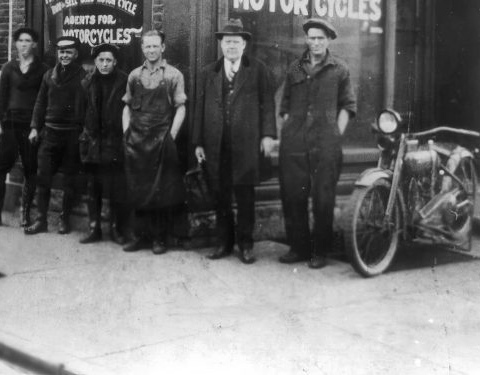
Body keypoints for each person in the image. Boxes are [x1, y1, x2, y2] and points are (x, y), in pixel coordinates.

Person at [192, 19, 276, 264]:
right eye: (227, 42)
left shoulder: (258, 70)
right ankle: (223, 243)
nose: (231, 46)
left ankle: (246, 245)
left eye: (236, 42)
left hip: (246, 145)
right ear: (220, 44)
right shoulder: (209, 72)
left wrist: (268, 135)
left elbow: (268, 105)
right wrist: (198, 142)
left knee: (245, 196)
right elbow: (199, 108)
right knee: (220, 197)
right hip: (216, 145)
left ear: (244, 45)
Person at [278, 18, 356, 269]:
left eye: (320, 38)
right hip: (295, 144)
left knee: (323, 199)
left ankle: (320, 251)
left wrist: (335, 134)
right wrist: (287, 134)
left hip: (326, 145)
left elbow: (348, 106)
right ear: (306, 39)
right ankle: (298, 248)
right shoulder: (294, 69)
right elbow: (285, 106)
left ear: (329, 40)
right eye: (311, 37)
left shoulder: (340, 69)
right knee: (293, 197)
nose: (315, 42)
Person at [122, 30, 187, 254]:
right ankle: (138, 236)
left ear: (163, 48)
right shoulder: (133, 76)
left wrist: (171, 136)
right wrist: (126, 134)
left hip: (161, 140)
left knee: (160, 191)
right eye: (147, 46)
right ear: (142, 48)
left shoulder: (173, 75)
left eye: (155, 46)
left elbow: (181, 108)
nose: (151, 50)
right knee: (137, 189)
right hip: (136, 142)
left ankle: (159, 239)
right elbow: (127, 107)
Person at [25, 35, 89, 236]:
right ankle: (41, 219)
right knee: (43, 178)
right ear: (57, 53)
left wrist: (85, 132)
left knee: (70, 180)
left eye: (68, 52)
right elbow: (39, 103)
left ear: (75, 54)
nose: (64, 56)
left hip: (72, 136)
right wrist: (35, 127)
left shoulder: (83, 77)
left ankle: (64, 219)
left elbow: (89, 107)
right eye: (61, 52)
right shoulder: (48, 76)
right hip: (50, 134)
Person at [0, 27, 48, 229]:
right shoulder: (8, 68)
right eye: (20, 40)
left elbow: (43, 101)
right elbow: (0, 99)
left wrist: (36, 127)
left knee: (30, 170)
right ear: (16, 44)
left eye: (28, 40)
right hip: (9, 125)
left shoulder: (43, 70)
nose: (23, 44)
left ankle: (25, 213)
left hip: (30, 128)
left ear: (35, 44)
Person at [78, 43, 130, 244]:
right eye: (101, 60)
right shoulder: (87, 82)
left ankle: (116, 229)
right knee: (93, 188)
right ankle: (94, 228)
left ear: (115, 62)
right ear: (95, 61)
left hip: (115, 142)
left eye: (109, 60)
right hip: (92, 143)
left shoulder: (125, 81)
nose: (105, 64)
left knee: (117, 189)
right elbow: (80, 113)